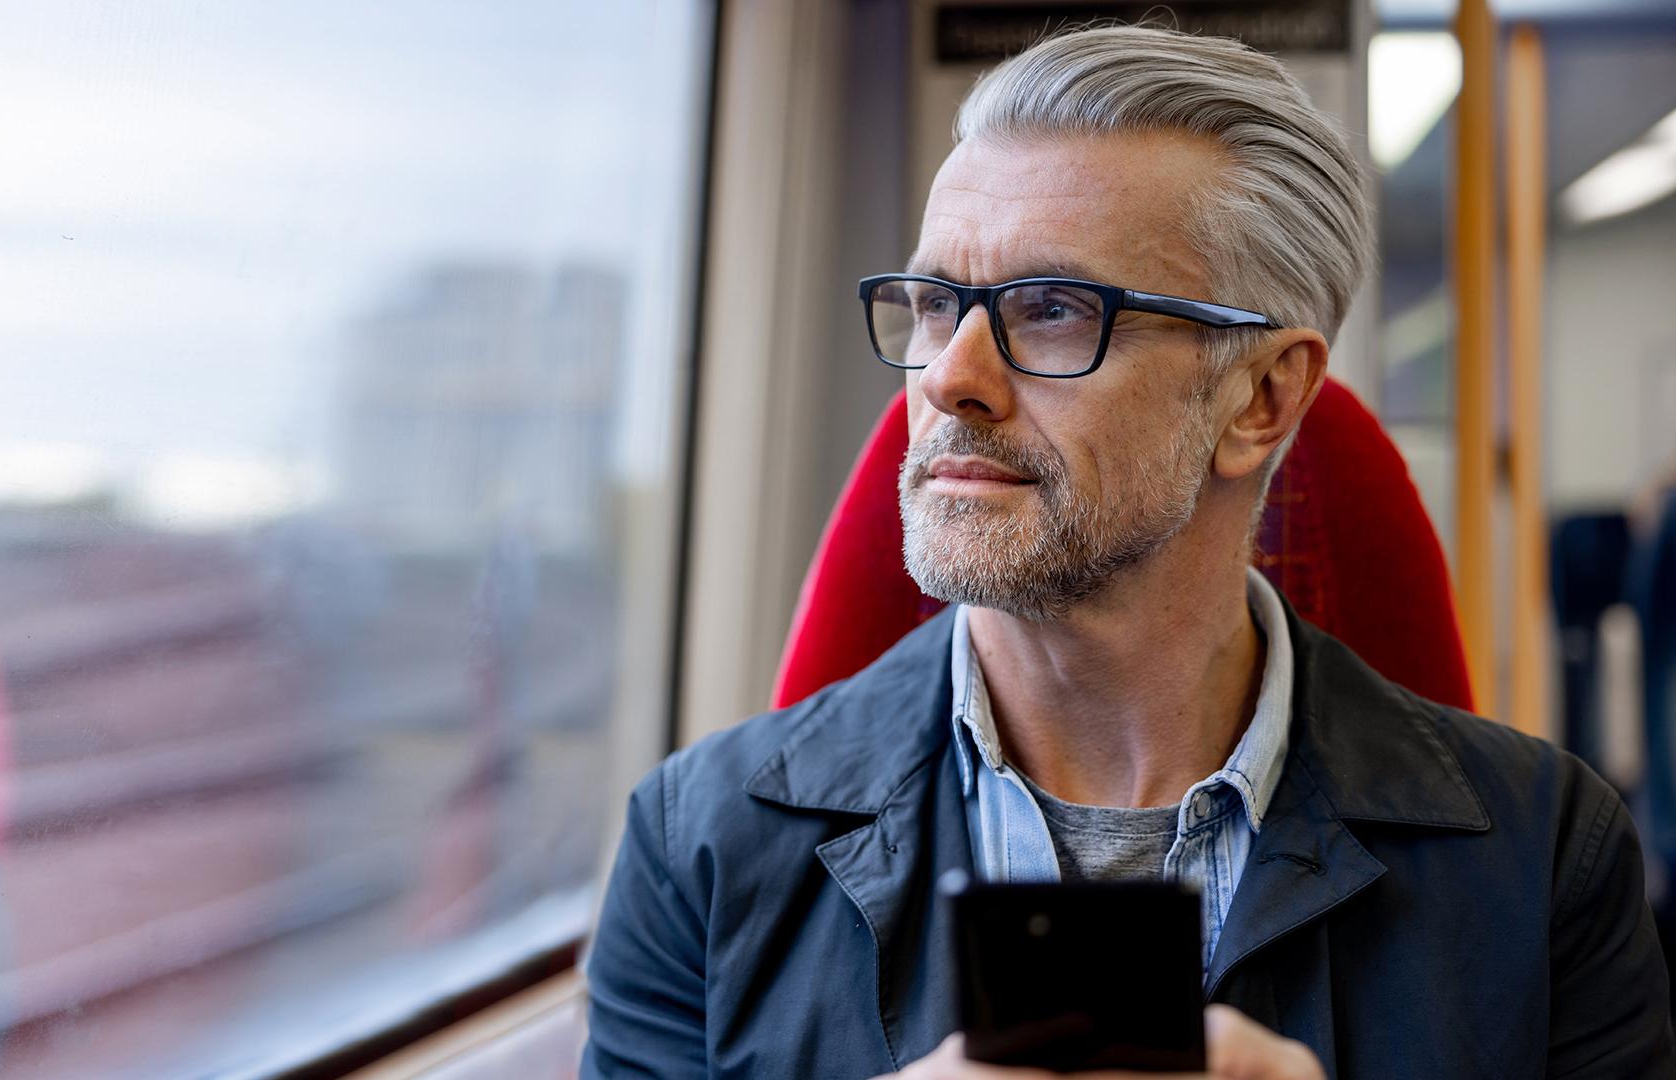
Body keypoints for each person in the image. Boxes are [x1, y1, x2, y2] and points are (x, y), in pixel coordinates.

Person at [580, 24, 1674, 1079]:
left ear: (1261, 397)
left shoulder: (1547, 862)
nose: (949, 378)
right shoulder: (702, 849)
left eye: (1052, 309)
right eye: (933, 304)